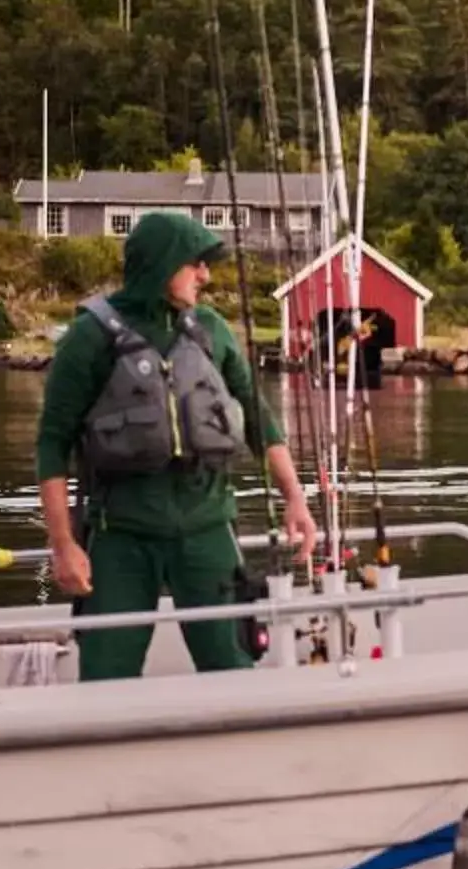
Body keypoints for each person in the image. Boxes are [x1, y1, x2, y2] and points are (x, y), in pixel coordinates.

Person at [36, 212, 318, 679]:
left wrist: (295, 499)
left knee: (231, 664)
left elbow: (259, 420)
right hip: (120, 535)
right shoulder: (87, 340)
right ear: (160, 264)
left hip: (207, 527)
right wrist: (63, 544)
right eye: (195, 264)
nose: (205, 275)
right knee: (107, 673)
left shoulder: (211, 330)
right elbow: (52, 445)